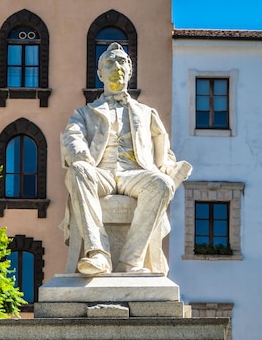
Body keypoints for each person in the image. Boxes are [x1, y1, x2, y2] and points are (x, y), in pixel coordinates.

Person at [61, 42, 191, 275]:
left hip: (135, 173)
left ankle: (131, 262)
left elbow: (164, 152)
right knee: (78, 170)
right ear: (100, 74)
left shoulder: (147, 113)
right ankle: (98, 254)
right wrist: (81, 155)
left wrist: (171, 169)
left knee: (161, 183)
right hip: (100, 172)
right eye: (109, 63)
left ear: (130, 72)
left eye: (122, 62)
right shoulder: (84, 112)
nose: (117, 66)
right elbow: (72, 138)